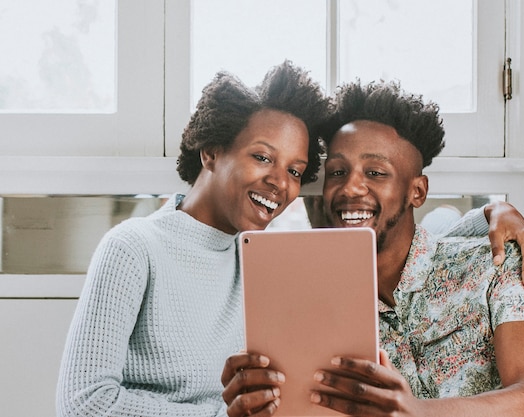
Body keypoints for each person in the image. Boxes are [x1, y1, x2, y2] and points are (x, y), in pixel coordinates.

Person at [220, 85, 524, 417]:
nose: (351, 186)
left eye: (375, 172)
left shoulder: (495, 264)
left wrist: (418, 412)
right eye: (337, 172)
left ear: (417, 191)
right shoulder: (313, 307)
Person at [56, 61, 332, 417]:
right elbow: (83, 403)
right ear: (212, 152)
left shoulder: (260, 264)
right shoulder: (133, 248)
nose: (280, 182)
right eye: (263, 157)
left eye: (294, 171)